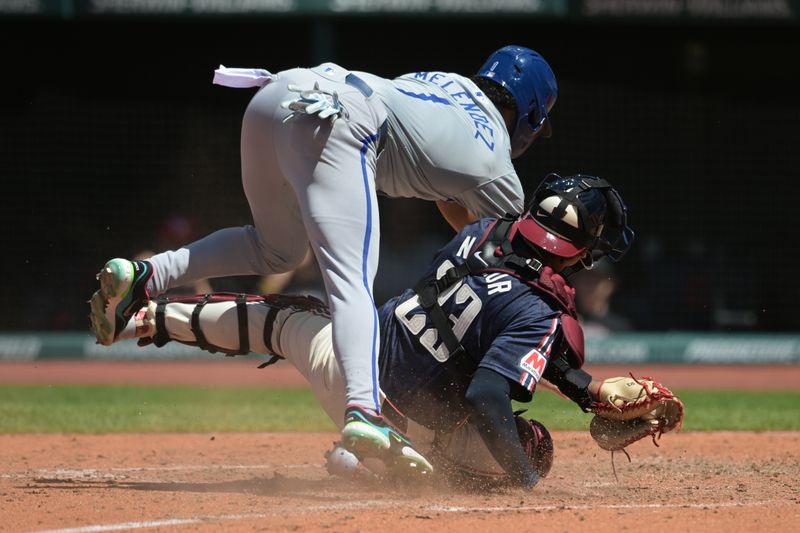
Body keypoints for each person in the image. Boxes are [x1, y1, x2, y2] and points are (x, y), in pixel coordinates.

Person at [88, 45, 558, 477]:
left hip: (275, 96)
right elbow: (512, 272)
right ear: (529, 117)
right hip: (339, 121)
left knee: (277, 249)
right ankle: (365, 412)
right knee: (351, 282)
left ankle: (147, 274)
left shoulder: (447, 83)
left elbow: (457, 204)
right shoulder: (497, 161)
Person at [102, 173, 635, 488]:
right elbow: (488, 393)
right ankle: (376, 467)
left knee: (284, 320)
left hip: (352, 367)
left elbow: (494, 323)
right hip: (408, 431)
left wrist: (585, 390)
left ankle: (148, 318)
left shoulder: (479, 236)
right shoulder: (543, 316)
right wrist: (526, 482)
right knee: (531, 443)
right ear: (582, 253)